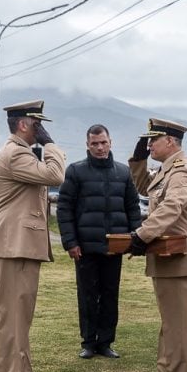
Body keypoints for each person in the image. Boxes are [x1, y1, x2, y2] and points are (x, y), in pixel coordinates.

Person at [0, 100, 66, 372]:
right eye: (37, 124)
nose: (41, 130)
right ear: (23, 124)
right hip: (13, 247)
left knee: (21, 317)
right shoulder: (15, 153)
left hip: (19, 246)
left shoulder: (20, 153)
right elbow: (55, 175)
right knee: (12, 318)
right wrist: (52, 145)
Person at [128, 118, 187, 372]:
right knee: (169, 323)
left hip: (180, 258)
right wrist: (138, 160)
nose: (149, 145)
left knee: (178, 325)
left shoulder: (182, 172)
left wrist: (141, 235)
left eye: (152, 141)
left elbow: (170, 209)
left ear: (170, 141)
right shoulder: (166, 170)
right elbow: (144, 186)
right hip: (168, 257)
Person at [57, 124, 141, 359]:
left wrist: (136, 239)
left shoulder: (123, 173)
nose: (100, 147)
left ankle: (105, 342)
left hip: (115, 247)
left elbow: (133, 208)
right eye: (95, 143)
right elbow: (64, 209)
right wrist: (70, 242)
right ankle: (88, 342)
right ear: (88, 145)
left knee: (110, 294)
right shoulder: (75, 171)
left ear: (110, 142)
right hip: (85, 247)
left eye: (103, 142)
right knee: (87, 295)